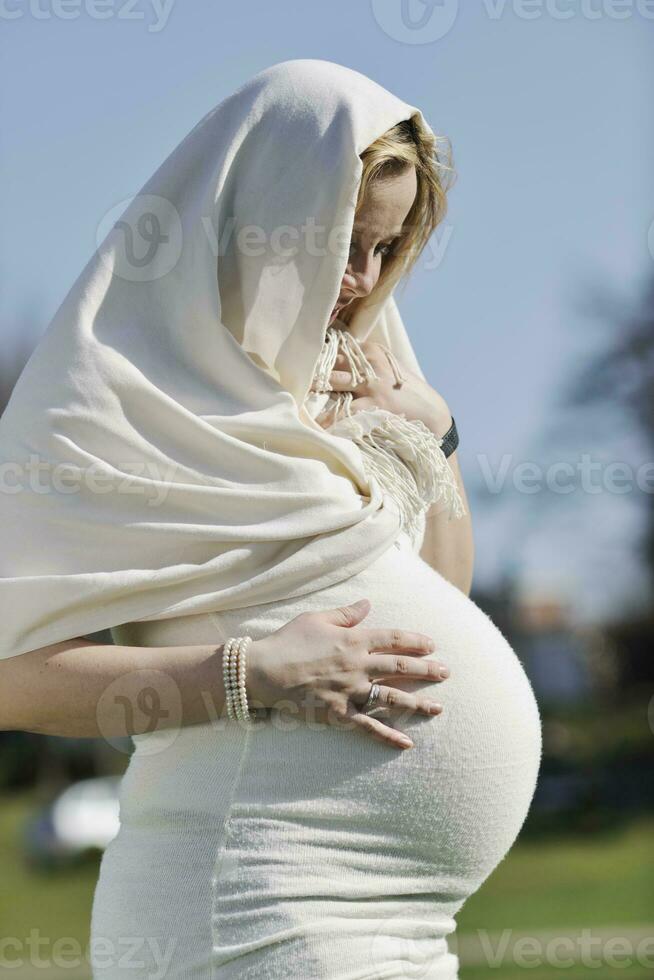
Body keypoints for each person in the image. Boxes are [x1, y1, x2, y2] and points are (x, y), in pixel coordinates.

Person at [0, 59, 542, 978]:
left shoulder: (346, 384)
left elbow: (441, 597)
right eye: (345, 244)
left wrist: (434, 437)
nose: (362, 283)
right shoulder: (112, 403)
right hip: (256, 905)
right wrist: (248, 674)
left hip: (403, 920)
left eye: (387, 252)